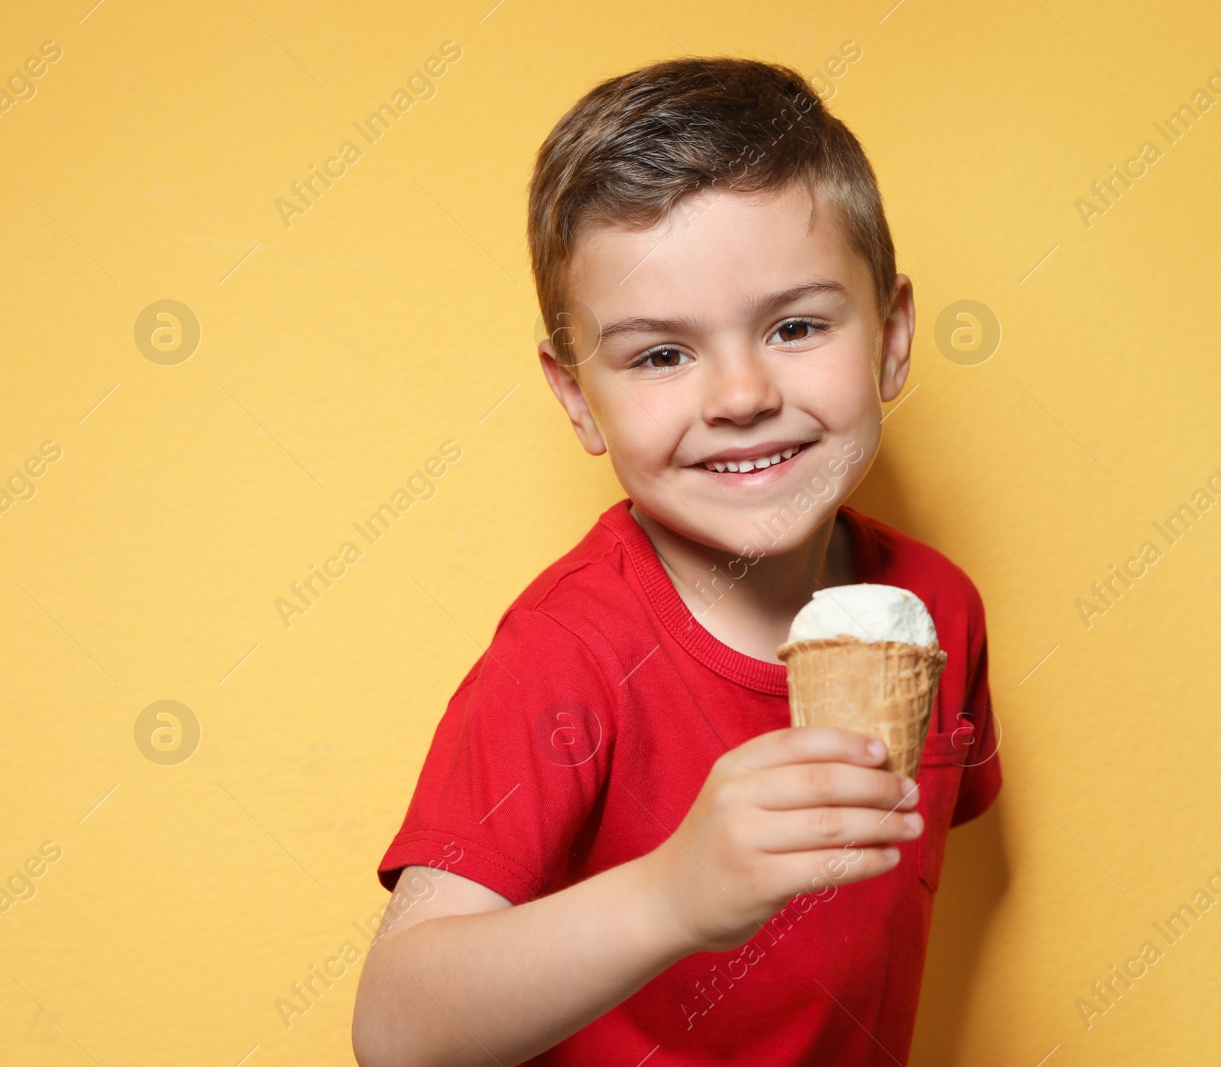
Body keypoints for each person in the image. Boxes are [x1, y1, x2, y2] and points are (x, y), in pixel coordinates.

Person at [352, 55, 1001, 1067]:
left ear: (891, 336)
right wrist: (675, 892)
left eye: (795, 325)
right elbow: (397, 1030)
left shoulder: (935, 612)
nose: (739, 393)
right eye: (661, 353)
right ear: (576, 398)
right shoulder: (567, 650)